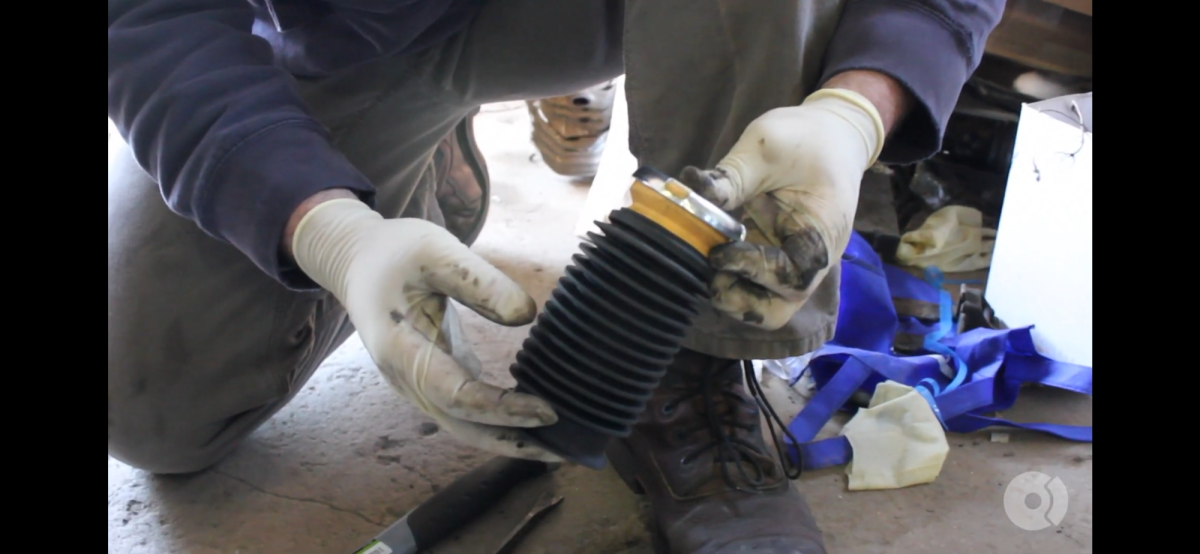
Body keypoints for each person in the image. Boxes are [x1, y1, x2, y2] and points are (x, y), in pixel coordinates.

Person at [108, 1, 1003, 551]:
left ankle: (686, 363)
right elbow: (146, 21)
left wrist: (857, 108)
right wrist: (324, 227)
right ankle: (427, 176)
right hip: (355, 32)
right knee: (151, 410)